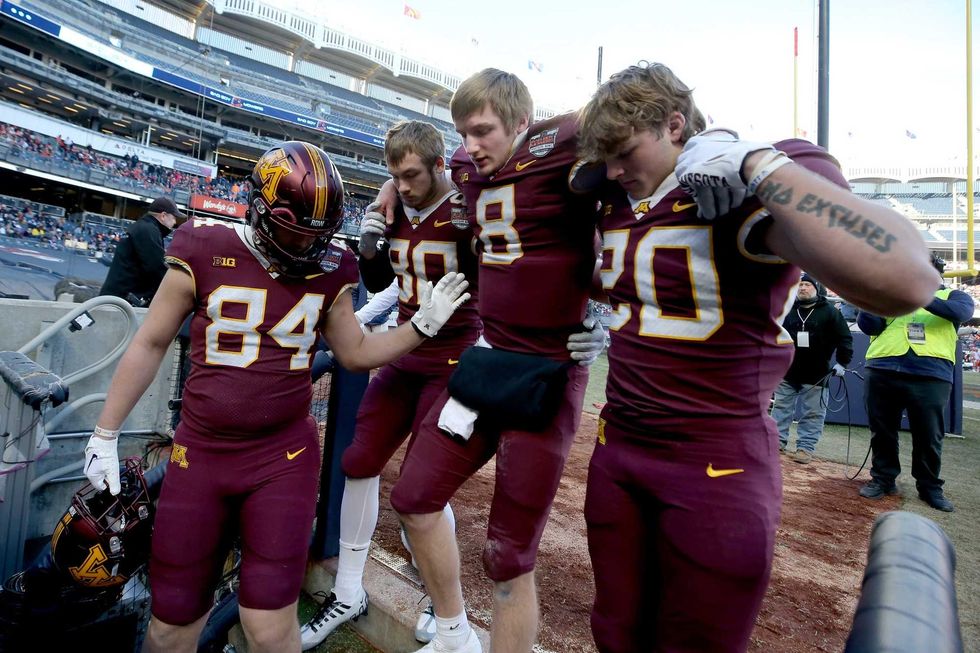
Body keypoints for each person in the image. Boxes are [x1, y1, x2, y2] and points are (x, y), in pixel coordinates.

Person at [576, 62, 937, 653]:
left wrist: (760, 166)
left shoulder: (736, 182)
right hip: (618, 449)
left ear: (674, 125)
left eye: (622, 151)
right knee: (614, 632)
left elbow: (906, 279)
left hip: (712, 460)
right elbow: (630, 275)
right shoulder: (620, 196)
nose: (614, 171)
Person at [81, 141, 471, 653]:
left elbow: (353, 352)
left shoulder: (332, 266)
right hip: (200, 455)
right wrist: (106, 432)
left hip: (282, 459)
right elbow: (151, 341)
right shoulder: (201, 246)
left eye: (317, 233)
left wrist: (422, 325)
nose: (308, 245)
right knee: (172, 623)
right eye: (294, 230)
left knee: (269, 625)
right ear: (261, 209)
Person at [375, 70, 605, 653]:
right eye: (464, 133)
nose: (472, 145)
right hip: (486, 358)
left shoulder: (565, 145)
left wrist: (605, 312)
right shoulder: (464, 166)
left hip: (550, 369)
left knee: (508, 555)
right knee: (412, 500)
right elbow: (419, 166)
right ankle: (454, 633)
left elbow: (646, 155)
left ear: (522, 124)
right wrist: (385, 189)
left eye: (483, 131)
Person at [299, 120, 482, 650]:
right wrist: (372, 246)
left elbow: (494, 284)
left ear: (438, 166)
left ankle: (442, 604)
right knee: (359, 461)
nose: (401, 186)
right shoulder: (394, 205)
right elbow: (386, 284)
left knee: (423, 488)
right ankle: (351, 590)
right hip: (405, 353)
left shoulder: (464, 207)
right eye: (393, 177)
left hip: (454, 358)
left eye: (410, 175)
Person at [857, 254, 973, 512]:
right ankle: (883, 479)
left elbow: (961, 313)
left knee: (928, 434)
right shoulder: (891, 298)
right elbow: (869, 326)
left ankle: (929, 487)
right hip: (884, 367)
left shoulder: (954, 296)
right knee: (882, 430)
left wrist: (916, 295)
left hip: (930, 373)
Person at [770, 272, 854, 463]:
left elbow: (845, 338)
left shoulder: (831, 312)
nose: (803, 288)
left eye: (807, 285)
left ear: (817, 288)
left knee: (813, 412)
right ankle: (777, 442)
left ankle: (805, 448)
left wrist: (842, 362)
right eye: (799, 285)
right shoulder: (787, 309)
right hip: (788, 370)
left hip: (817, 372)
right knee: (781, 408)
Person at [99, 196, 184, 306]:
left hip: (116, 297)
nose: (175, 222)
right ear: (163, 216)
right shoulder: (148, 230)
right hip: (120, 301)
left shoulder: (142, 226)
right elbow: (158, 269)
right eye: (174, 217)